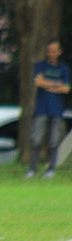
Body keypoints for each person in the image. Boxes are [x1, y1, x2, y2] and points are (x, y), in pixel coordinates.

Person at [26, 39, 70, 179]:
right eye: (49, 50)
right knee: (36, 139)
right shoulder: (40, 66)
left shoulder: (63, 69)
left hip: (56, 110)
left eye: (54, 51)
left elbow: (67, 88)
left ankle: (50, 169)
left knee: (54, 141)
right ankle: (32, 169)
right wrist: (57, 84)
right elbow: (38, 82)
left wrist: (49, 85)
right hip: (41, 109)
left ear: (59, 52)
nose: (51, 53)